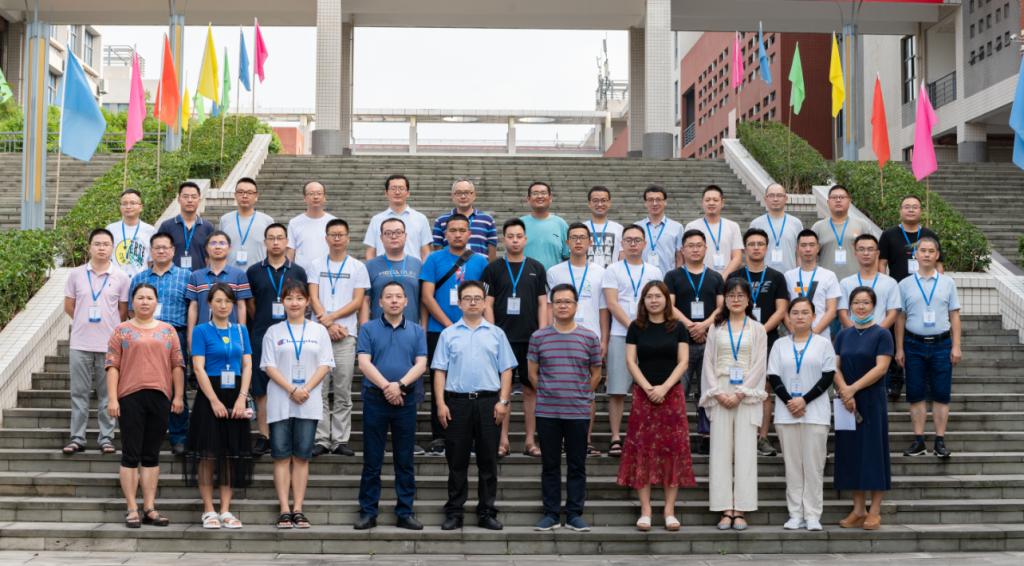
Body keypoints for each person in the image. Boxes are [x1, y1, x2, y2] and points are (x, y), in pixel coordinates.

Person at [432, 280, 516, 531]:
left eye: (477, 298)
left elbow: (507, 370)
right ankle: (455, 512)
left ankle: (486, 511)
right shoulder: (448, 334)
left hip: (489, 403)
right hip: (457, 403)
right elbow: (439, 371)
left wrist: (503, 402)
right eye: (467, 298)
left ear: (484, 303)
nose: (472, 302)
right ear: (459, 303)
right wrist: (440, 404)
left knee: (488, 462)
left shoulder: (496, 334)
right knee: (456, 462)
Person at [104, 283, 185, 528]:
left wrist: (178, 396)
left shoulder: (168, 331)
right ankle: (132, 508)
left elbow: (177, 365)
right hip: (130, 397)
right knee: (130, 453)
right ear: (132, 301)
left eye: (150, 298)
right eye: (140, 297)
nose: (145, 302)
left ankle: (149, 507)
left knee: (151, 454)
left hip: (160, 396)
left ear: (156, 302)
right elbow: (112, 366)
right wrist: (112, 398)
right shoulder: (121, 330)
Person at [616, 281, 694, 532]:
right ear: (643, 301)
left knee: (673, 451)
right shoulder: (636, 327)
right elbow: (631, 361)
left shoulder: (678, 327)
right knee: (643, 450)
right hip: (643, 395)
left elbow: (683, 362)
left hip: (672, 395)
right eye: (649, 296)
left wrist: (664, 388)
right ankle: (646, 510)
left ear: (666, 300)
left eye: (658, 296)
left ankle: (669, 510)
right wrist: (649, 388)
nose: (653, 300)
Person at [260, 280, 334, 529]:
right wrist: (292, 389)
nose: (294, 303)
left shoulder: (319, 331)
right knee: (281, 456)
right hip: (281, 400)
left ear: (307, 302)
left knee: (302, 456)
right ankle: (284, 509)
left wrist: (305, 389)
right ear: (283, 302)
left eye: (299, 298)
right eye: (289, 298)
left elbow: (325, 364)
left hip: (308, 401)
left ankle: (298, 508)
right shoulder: (274, 332)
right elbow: (269, 366)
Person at [354, 281, 428, 530]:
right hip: (375, 399)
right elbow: (364, 363)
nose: (394, 300)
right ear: (380, 302)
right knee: (372, 459)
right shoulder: (368, 328)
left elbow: (421, 364)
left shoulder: (416, 330)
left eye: (398, 296)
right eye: (389, 296)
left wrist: (400, 386)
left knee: (404, 459)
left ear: (406, 301)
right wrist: (388, 387)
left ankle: (405, 512)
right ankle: (368, 511)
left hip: (406, 400)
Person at [529, 284, 602, 532]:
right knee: (549, 465)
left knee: (576, 465)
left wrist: (581, 394)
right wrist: (548, 391)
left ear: (576, 306)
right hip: (547, 411)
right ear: (552, 306)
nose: (563, 306)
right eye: (558, 301)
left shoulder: (589, 337)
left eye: (567, 301)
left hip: (578, 411)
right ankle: (550, 513)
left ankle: (573, 514)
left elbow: (596, 373)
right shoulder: (539, 337)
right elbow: (532, 373)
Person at [699, 278, 768, 530]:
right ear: (725, 300)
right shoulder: (716, 328)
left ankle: (741, 508)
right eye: (731, 295)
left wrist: (740, 393)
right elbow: (708, 363)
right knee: (720, 451)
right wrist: (717, 392)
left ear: (749, 299)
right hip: (720, 389)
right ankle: (724, 508)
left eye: (740, 295)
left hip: (747, 394)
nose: (736, 299)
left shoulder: (757, 329)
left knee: (746, 451)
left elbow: (759, 364)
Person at [185, 283, 254, 529]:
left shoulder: (241, 331)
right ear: (209, 304)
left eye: (227, 301)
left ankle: (225, 509)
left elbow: (247, 365)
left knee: (230, 454)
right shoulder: (201, 331)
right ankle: (208, 509)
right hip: (209, 395)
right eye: (218, 301)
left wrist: (242, 397)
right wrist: (214, 400)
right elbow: (198, 368)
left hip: (235, 393)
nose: (223, 306)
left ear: (233, 304)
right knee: (207, 455)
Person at [419, 214, 489, 456]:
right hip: (440, 331)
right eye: (453, 230)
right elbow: (426, 296)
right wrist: (450, 325)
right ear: (445, 234)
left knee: (469, 381)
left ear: (469, 234)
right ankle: (440, 435)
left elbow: (485, 298)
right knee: (440, 381)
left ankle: (469, 435)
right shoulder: (433, 259)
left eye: (462, 230)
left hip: (474, 331)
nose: (457, 234)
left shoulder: (480, 261)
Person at [767, 297, 837, 531]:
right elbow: (773, 376)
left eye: (805, 312)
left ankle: (813, 514)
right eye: (795, 312)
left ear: (813, 316)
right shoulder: (779, 345)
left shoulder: (823, 344)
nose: (800, 317)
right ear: (788, 317)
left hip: (815, 413)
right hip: (786, 415)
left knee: (814, 467)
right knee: (793, 466)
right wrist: (790, 401)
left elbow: (828, 376)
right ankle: (795, 513)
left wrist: (803, 400)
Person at [482, 218, 549, 458]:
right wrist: (492, 333)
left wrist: (542, 333)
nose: (515, 240)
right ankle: (503, 440)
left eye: (519, 236)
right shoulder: (492, 268)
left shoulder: (536, 268)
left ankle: (530, 441)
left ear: (525, 239)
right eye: (510, 236)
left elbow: (543, 303)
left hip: (530, 340)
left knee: (531, 390)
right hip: (503, 340)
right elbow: (487, 304)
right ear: (503, 240)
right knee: (504, 392)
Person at [63, 228, 130, 456]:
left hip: (109, 346)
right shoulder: (76, 274)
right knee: (78, 394)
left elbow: (122, 311)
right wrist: (84, 321)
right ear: (89, 247)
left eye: (106, 244)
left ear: (112, 248)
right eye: (97, 244)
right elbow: (69, 306)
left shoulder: (121, 277)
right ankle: (77, 437)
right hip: (80, 344)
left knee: (107, 394)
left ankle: (106, 437)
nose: (101, 248)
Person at [833, 286, 895, 531]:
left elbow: (881, 368)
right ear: (850, 306)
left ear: (874, 306)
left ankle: (875, 511)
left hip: (871, 401)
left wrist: (852, 389)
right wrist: (844, 390)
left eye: (866, 302)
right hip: (846, 402)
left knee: (873, 453)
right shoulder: (843, 335)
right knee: (851, 453)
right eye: (856, 302)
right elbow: (834, 366)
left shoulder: (882, 334)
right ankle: (858, 509)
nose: (861, 307)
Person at [246, 223, 309, 456]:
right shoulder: (254, 271)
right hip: (261, 333)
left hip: (292, 335)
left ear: (286, 242)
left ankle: (288, 434)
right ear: (265, 242)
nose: (275, 242)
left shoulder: (298, 271)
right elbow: (250, 303)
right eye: (271, 238)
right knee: (261, 387)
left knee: (290, 382)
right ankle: (264, 435)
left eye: (280, 238)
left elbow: (302, 300)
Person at [308, 218, 370, 457]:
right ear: (326, 238)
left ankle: (340, 439)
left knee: (343, 390)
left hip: (346, 334)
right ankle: (322, 438)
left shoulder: (358, 267)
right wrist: (328, 324)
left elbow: (357, 301)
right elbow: (313, 297)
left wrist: (331, 319)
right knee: (319, 389)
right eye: (332, 235)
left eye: (341, 235)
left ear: (348, 238)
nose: (337, 239)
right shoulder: (315, 265)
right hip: (318, 335)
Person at [895, 237, 961, 459]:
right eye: (922, 250)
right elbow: (900, 318)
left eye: (931, 251)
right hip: (913, 345)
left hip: (942, 345)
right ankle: (919, 441)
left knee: (942, 394)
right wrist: (899, 348)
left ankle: (940, 441)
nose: (926, 254)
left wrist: (956, 346)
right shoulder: (904, 284)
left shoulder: (947, 283)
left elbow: (954, 315)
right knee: (915, 394)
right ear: (916, 254)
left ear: (937, 255)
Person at [726, 228, 789, 458]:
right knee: (736, 386)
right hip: (738, 338)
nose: (756, 248)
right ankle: (738, 435)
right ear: (745, 249)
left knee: (764, 389)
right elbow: (728, 305)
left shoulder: (776, 276)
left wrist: (760, 331)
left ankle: (762, 438)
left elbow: (781, 309)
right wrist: (746, 331)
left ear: (766, 247)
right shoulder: (735, 276)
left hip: (767, 338)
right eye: (751, 244)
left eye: (760, 244)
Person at [547, 222, 609, 455]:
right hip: (560, 337)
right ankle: (562, 440)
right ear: (567, 242)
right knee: (561, 388)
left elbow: (603, 309)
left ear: (590, 242)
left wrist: (604, 340)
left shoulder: (600, 272)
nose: (579, 241)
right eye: (574, 237)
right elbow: (550, 307)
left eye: (583, 237)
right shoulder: (555, 272)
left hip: (590, 337)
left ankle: (585, 439)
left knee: (587, 391)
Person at [130, 232, 191, 456]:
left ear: (173, 251)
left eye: (166, 247)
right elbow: (131, 310)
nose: (162, 251)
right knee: (145, 385)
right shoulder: (139, 278)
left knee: (177, 386)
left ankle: (179, 436)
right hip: (145, 337)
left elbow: (192, 309)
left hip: (175, 335)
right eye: (157, 247)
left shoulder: (186, 276)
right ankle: (145, 434)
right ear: (151, 251)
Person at [665, 229, 725, 455]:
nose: (695, 249)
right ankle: (676, 435)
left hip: (709, 342)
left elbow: (721, 307)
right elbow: (669, 306)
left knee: (707, 391)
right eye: (690, 246)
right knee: (679, 390)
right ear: (683, 249)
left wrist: (704, 325)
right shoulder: (673, 276)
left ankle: (706, 435)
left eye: (699, 245)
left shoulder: (715, 277)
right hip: (681, 343)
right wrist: (691, 325)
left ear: (706, 248)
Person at [186, 230, 252, 348]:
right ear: (206, 248)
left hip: (231, 333)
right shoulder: (196, 276)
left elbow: (241, 306)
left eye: (222, 243)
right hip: (203, 333)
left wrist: (242, 333)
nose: (217, 247)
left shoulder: (239, 275)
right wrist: (190, 335)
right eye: (213, 243)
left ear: (229, 248)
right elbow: (193, 307)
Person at [362, 218, 423, 326]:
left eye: (398, 232)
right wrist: (364, 328)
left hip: (411, 329)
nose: (393, 236)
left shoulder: (418, 265)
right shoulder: (370, 266)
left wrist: (423, 329)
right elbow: (365, 301)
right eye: (388, 233)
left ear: (405, 236)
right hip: (379, 329)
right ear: (381, 238)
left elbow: (423, 300)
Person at [784, 230, 841, 340]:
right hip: (794, 336)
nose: (808, 249)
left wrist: (814, 333)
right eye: (803, 245)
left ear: (818, 248)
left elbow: (832, 310)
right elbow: (784, 310)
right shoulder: (788, 276)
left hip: (821, 336)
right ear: (797, 248)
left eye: (811, 245)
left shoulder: (829, 275)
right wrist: (794, 332)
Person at [838, 234, 901, 330]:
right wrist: (856, 334)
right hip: (852, 335)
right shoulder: (845, 283)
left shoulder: (890, 283)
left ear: (877, 253)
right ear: (855, 253)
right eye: (861, 249)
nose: (866, 253)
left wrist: (875, 334)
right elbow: (842, 314)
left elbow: (893, 313)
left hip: (879, 335)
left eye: (870, 249)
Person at [365, 174, 433, 261]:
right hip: (383, 268)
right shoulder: (376, 220)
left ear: (408, 193)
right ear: (386, 193)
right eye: (393, 188)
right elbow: (371, 251)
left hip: (413, 268)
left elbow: (425, 251)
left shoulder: (421, 219)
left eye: (401, 188)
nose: (397, 192)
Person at [812, 184, 872, 282]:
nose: (838, 200)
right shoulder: (818, 227)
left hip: (857, 282)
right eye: (834, 197)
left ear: (849, 201)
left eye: (842, 197)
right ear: (828, 202)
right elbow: (811, 256)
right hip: (826, 282)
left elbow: (872, 254)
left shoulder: (862, 225)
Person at [879, 195, 943, 282]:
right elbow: (882, 264)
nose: (911, 210)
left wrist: (940, 284)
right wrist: (884, 284)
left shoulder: (930, 235)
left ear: (921, 211)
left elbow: (938, 264)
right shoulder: (888, 235)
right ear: (900, 211)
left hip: (926, 286)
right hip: (898, 286)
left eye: (915, 207)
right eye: (907, 207)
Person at [432, 177, 498, 261]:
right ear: (453, 196)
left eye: (466, 192)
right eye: (459, 193)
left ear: (474, 195)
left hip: (480, 268)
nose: (463, 196)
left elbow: (492, 254)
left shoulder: (487, 220)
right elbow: (437, 252)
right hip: (450, 268)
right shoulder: (441, 221)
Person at [686, 185, 743, 275]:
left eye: (715, 200)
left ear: (722, 203)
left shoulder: (733, 226)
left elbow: (737, 257)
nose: (711, 203)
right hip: (700, 277)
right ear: (702, 203)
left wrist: (723, 277)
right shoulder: (692, 226)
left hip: (727, 278)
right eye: (707, 200)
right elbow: (687, 255)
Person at [218, 176, 274, 269]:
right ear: (235, 195)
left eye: (249, 193)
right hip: (230, 274)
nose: (244, 196)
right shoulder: (225, 220)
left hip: (258, 274)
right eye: (240, 192)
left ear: (256, 196)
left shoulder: (267, 221)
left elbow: (271, 251)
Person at [158, 181, 215, 270]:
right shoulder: (167, 226)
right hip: (173, 277)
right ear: (178, 199)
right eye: (185, 196)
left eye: (194, 197)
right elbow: (159, 252)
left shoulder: (208, 227)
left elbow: (212, 255)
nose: (190, 200)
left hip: (199, 277)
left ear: (199, 200)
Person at [749, 183, 804, 273]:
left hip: (789, 276)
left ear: (785, 198)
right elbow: (750, 254)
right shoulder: (756, 224)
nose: (775, 199)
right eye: (771, 195)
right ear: (765, 199)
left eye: (779, 195)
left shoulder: (796, 223)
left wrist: (799, 275)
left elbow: (799, 254)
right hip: (764, 276)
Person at [287, 180, 336, 277]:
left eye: (319, 193)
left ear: (324, 197)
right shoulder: (294, 222)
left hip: (327, 275)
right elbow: (290, 251)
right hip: (301, 276)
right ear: (305, 198)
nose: (316, 197)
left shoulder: (334, 222)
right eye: (311, 194)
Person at [107, 188, 156, 278]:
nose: (128, 207)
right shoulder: (110, 229)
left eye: (133, 203)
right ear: (120, 207)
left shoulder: (150, 231)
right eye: (124, 203)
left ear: (141, 207)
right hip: (115, 281)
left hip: (141, 281)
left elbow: (151, 261)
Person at [520, 181, 569, 270]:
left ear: (550, 198)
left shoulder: (561, 224)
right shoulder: (519, 224)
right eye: (535, 193)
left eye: (543, 193)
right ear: (528, 199)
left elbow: (568, 255)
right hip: (525, 277)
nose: (539, 196)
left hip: (554, 278)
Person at [637, 184, 684, 275]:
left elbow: (680, 258)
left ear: (665, 202)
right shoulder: (637, 227)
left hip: (667, 278)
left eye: (658, 199)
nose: (654, 203)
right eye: (650, 200)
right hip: (641, 278)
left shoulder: (677, 227)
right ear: (645, 203)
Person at [585, 185, 623, 268]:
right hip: (586, 274)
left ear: (609, 203)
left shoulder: (619, 229)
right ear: (589, 203)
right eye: (595, 201)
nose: (599, 204)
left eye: (603, 200)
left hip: (611, 274)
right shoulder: (582, 228)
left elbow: (622, 256)